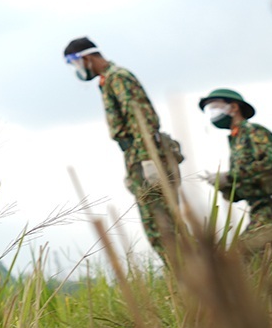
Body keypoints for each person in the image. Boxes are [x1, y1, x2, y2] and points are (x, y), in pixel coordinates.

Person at [65, 36, 183, 257]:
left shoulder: (118, 78)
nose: (77, 70)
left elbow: (140, 118)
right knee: (157, 228)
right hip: (135, 155)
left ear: (87, 58)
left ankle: (200, 279)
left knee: (164, 227)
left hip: (147, 154)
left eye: (76, 63)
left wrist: (149, 161)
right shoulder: (107, 81)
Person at [196, 88, 272, 243]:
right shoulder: (237, 140)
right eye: (209, 109)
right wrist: (225, 186)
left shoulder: (252, 132)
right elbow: (248, 186)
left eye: (215, 106)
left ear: (234, 107)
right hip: (261, 209)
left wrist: (229, 176)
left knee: (245, 255)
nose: (212, 112)